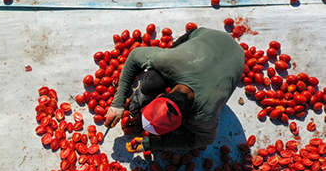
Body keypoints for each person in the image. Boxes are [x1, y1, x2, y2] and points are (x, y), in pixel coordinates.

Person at [104, 26, 244, 152]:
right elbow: (134, 55)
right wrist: (118, 102)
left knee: (184, 132)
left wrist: (151, 144)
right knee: (152, 81)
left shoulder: (205, 115)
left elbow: (205, 139)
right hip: (213, 40)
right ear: (163, 94)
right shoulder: (172, 61)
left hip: (234, 54)